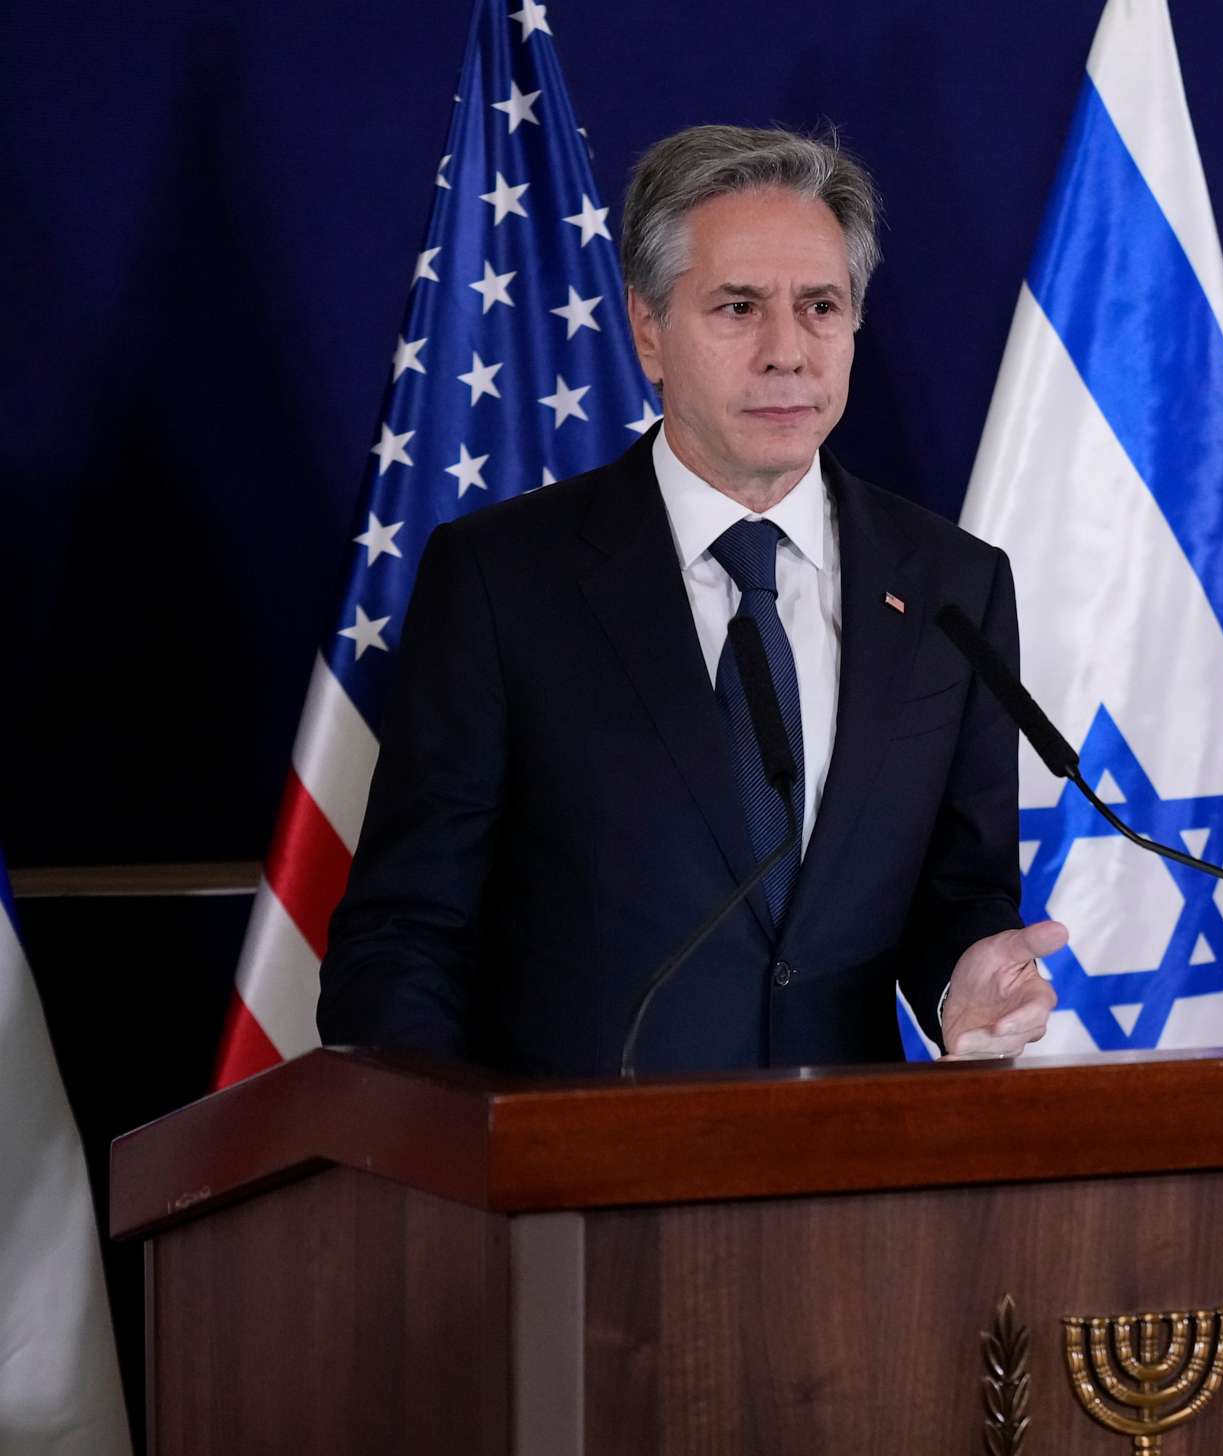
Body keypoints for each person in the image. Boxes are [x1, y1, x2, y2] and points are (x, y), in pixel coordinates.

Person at [320, 125, 1063, 1072]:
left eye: (821, 306)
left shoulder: (952, 584)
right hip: (573, 1183)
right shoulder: (503, 581)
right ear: (647, 330)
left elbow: (959, 891)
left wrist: (966, 971)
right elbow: (406, 933)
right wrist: (429, 1164)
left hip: (852, 1176)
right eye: (739, 306)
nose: (787, 351)